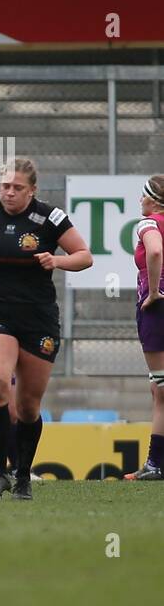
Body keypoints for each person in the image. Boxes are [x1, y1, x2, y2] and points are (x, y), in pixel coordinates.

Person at [0, 158, 92, 500]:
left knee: (28, 406)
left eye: (17, 188)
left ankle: (23, 475)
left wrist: (57, 260)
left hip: (38, 318)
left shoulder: (50, 218)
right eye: (5, 186)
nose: (9, 193)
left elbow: (85, 256)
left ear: (32, 190)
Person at [127, 175, 164, 480]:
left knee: (162, 386)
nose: (140, 201)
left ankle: (156, 463)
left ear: (152, 200)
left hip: (157, 309)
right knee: (159, 389)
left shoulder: (148, 223)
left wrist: (153, 292)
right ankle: (155, 463)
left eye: (143, 196)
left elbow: (154, 251)